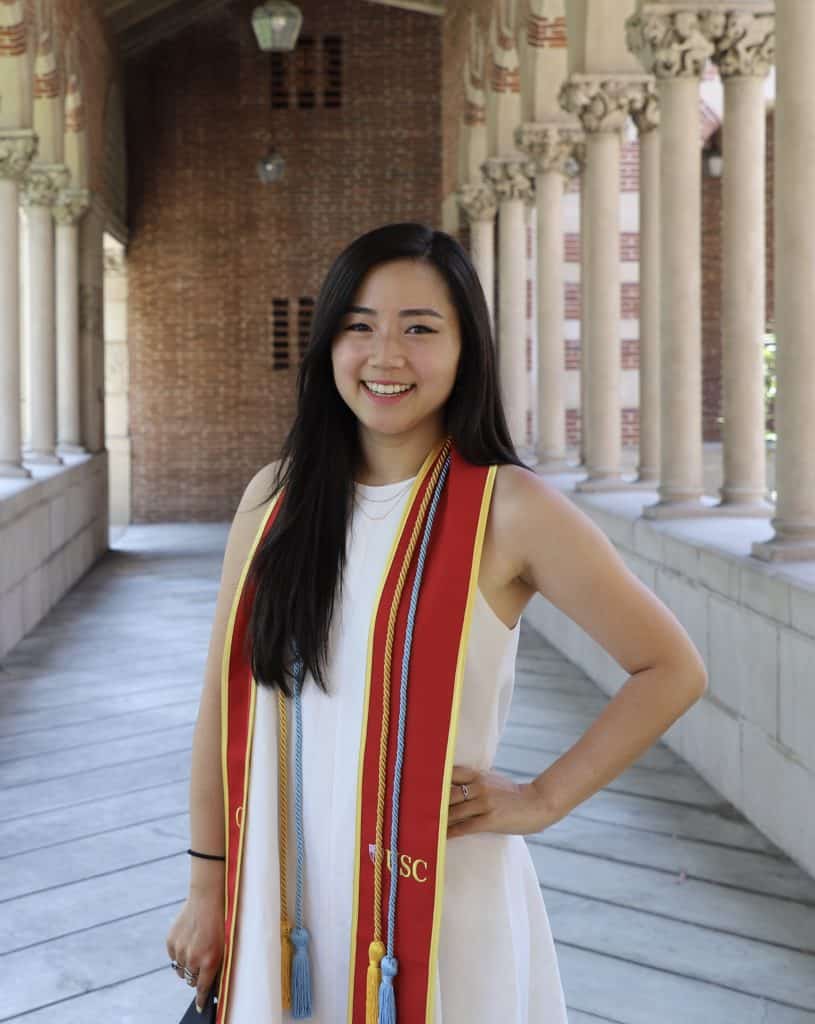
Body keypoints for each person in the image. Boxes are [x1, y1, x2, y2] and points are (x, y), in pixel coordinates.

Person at [166, 222, 708, 1023]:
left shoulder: (509, 509)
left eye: (419, 328)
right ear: (328, 348)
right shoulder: (273, 499)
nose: (386, 357)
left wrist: (541, 799)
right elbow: (222, 704)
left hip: (441, 895)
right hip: (282, 887)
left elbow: (671, 668)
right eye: (360, 327)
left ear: (466, 350)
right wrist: (206, 887)